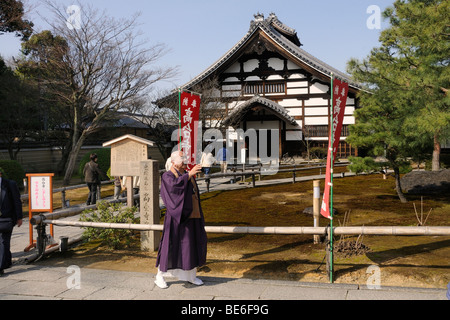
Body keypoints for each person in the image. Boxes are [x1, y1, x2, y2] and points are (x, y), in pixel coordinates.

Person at [155, 151, 207, 289]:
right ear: (173, 162)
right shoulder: (167, 176)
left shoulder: (185, 174)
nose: (185, 163)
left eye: (185, 160)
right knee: (170, 246)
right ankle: (159, 276)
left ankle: (190, 276)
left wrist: (188, 175)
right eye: (182, 160)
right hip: (175, 218)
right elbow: (174, 188)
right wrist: (189, 175)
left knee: (189, 246)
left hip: (190, 217)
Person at [0, 168, 23, 276]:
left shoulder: (9, 184)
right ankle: (7, 261)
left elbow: (16, 201)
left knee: (4, 242)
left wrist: (19, 217)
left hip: (7, 219)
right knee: (3, 244)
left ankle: (0, 267)